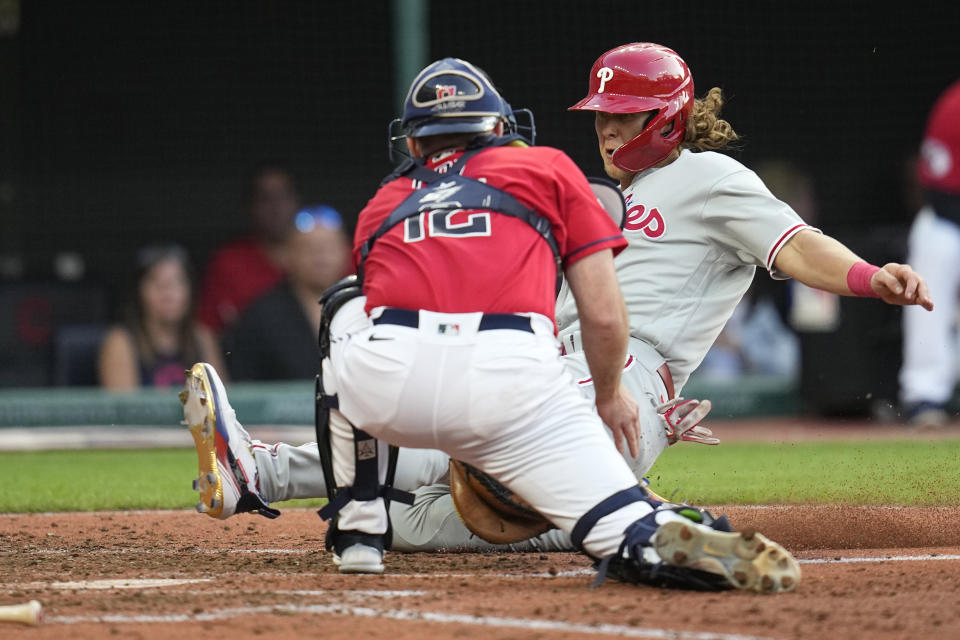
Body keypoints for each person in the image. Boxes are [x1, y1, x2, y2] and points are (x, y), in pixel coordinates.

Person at [181, 43, 934, 564]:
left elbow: (796, 245)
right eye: (601, 114)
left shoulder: (711, 178)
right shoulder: (593, 187)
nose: (606, 127)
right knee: (449, 433)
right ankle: (263, 472)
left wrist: (871, 277)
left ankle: (646, 523)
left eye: (624, 114)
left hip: (626, 382)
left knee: (471, 517)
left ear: (666, 118)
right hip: (549, 362)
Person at [224, 204, 351, 381]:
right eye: (309, 248)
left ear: (345, 251)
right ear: (287, 255)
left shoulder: (365, 308)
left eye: (329, 247)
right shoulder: (261, 315)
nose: (321, 256)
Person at [899, 79, 960, 427]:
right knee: (936, 247)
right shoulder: (954, 106)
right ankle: (925, 394)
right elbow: (942, 195)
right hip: (949, 219)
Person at [195, 164, 302, 336]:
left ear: (296, 200)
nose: (276, 208)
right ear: (250, 206)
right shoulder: (228, 263)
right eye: (265, 198)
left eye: (282, 197)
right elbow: (206, 328)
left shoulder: (322, 257)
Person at [99, 244, 214, 389]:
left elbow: (221, 403)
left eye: (177, 282)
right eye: (157, 283)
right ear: (139, 291)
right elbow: (125, 409)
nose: (168, 293)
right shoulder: (120, 341)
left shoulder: (201, 337)